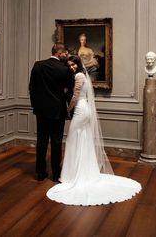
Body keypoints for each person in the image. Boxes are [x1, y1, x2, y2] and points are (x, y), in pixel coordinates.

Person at [47, 55, 141, 205]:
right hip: (85, 109)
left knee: (72, 139)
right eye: (70, 65)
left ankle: (72, 176)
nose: (72, 67)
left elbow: (76, 96)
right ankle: (85, 172)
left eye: (74, 64)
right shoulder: (83, 74)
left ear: (78, 64)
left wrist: (67, 109)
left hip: (80, 110)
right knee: (82, 139)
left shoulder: (78, 76)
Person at [29, 43, 73, 182]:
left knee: (41, 141)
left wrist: (35, 106)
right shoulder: (64, 69)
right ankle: (56, 174)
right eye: (64, 53)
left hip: (41, 110)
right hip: (57, 110)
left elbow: (32, 88)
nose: (65, 56)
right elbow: (68, 91)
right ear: (59, 53)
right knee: (56, 142)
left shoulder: (38, 65)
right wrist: (68, 109)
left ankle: (40, 173)